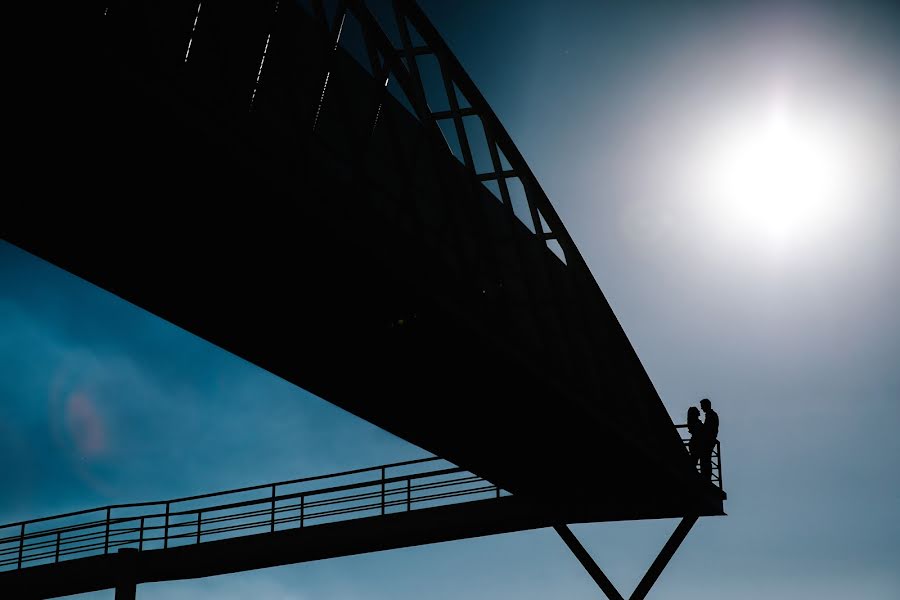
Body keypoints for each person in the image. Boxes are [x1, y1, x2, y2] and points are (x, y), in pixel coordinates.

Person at [699, 398, 719, 480]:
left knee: (705, 459)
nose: (701, 408)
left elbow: (709, 429)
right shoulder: (711, 414)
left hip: (708, 440)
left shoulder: (711, 415)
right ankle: (706, 476)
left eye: (702, 406)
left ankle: (706, 477)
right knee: (706, 459)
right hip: (709, 440)